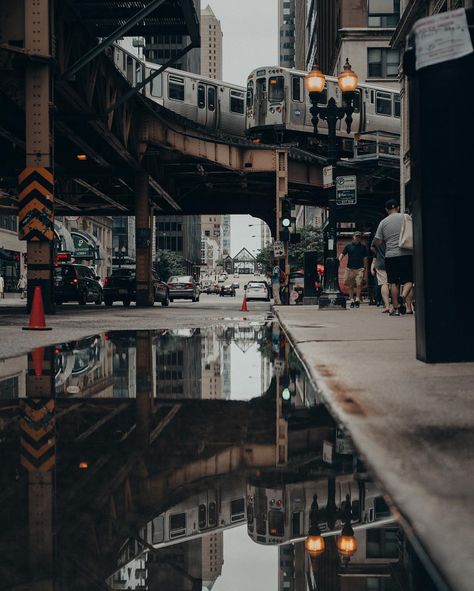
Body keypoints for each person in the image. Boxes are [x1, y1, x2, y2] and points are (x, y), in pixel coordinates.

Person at [374, 199, 413, 316]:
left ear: (386, 210)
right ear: (398, 208)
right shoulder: (407, 217)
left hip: (391, 255)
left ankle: (395, 308)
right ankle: (403, 296)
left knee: (393, 282)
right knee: (409, 280)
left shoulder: (383, 222)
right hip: (407, 254)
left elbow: (378, 241)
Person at [338, 231, 368, 308]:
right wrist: (338, 261)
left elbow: (365, 258)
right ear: (353, 237)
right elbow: (342, 254)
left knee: (359, 284)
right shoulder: (348, 246)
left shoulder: (363, 247)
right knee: (350, 285)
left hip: (360, 268)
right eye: (356, 236)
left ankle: (357, 299)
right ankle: (351, 300)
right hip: (350, 268)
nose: (357, 238)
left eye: (359, 236)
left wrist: (365, 267)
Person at [370, 238, 391, 313]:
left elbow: (372, 248)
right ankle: (396, 305)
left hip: (381, 262)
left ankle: (387, 306)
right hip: (392, 260)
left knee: (384, 284)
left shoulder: (377, 237)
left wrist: (378, 253)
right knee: (394, 283)